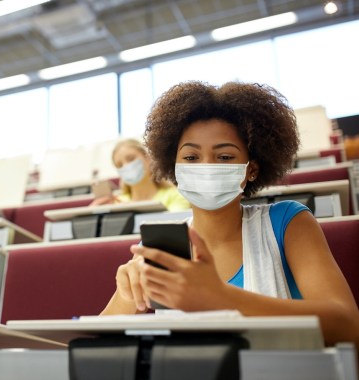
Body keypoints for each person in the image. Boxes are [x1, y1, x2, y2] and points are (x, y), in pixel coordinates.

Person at [101, 81, 359, 350]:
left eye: (224, 157)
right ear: (174, 167)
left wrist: (221, 297)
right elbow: (93, 342)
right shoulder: (159, 248)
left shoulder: (288, 222)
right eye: (191, 157)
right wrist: (126, 292)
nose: (207, 166)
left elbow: (348, 327)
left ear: (252, 170)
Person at [90, 138, 190, 211]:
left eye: (131, 159)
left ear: (147, 158)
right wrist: (93, 212)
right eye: (119, 165)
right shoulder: (115, 204)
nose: (126, 166)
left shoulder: (176, 196)